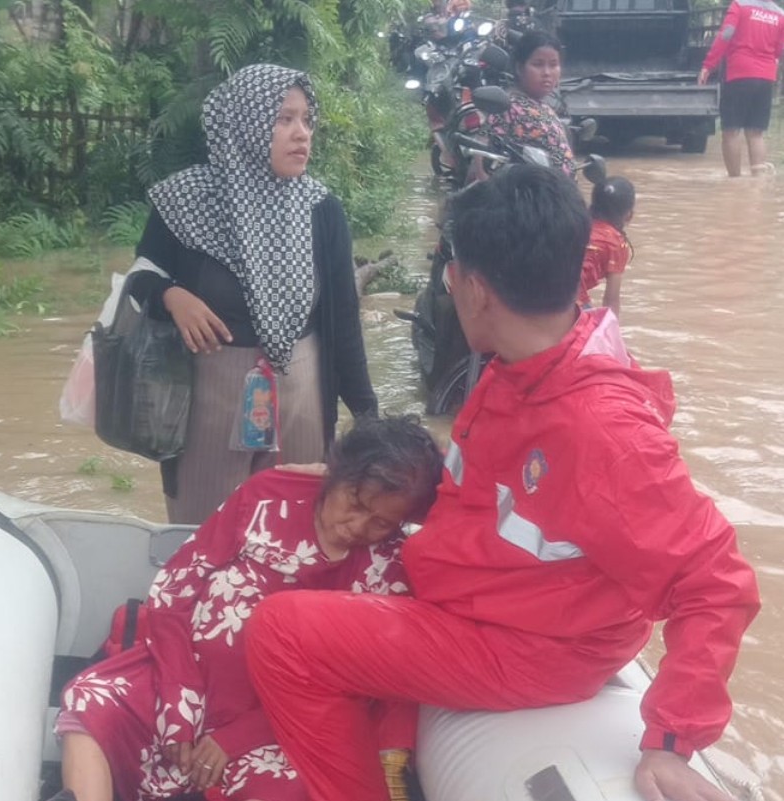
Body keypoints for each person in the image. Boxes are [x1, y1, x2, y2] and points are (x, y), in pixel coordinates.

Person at [246, 165, 760, 801]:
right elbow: (483, 490)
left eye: (451, 271)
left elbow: (717, 580)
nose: (449, 283)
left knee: (280, 634)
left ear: (476, 289)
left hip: (533, 645)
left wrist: (673, 741)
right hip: (502, 598)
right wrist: (352, 475)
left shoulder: (598, 428)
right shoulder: (524, 366)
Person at [56, 414, 444, 801]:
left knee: (297, 787)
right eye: (355, 502)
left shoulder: (390, 569)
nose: (358, 526)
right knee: (91, 696)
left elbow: (355, 687)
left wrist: (237, 737)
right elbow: (174, 592)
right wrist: (180, 700)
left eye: (381, 523)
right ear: (335, 472)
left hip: (281, 723)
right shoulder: (268, 496)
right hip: (183, 675)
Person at [126, 63, 377, 525]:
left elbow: (343, 319)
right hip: (208, 394)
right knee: (204, 532)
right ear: (245, 123)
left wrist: (367, 415)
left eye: (306, 119)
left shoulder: (321, 210)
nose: (301, 134)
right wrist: (171, 296)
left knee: (294, 530)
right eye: (283, 119)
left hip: (302, 391)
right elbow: (139, 277)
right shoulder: (187, 202)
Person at [698, 0, 784, 177]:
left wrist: (708, 64)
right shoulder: (780, 14)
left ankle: (734, 181)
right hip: (766, 77)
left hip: (739, 73)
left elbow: (726, 35)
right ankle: (758, 182)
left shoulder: (739, 5)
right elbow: (779, 49)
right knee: (756, 133)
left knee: (731, 130)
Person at [479, 30, 575, 177]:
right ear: (519, 68)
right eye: (538, 64)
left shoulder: (542, 106)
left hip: (559, 195)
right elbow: (481, 162)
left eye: (554, 65)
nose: (547, 73)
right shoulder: (508, 107)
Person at [578, 176, 636, 318]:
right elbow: (611, 300)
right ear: (629, 215)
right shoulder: (616, 243)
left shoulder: (576, 223)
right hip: (569, 301)